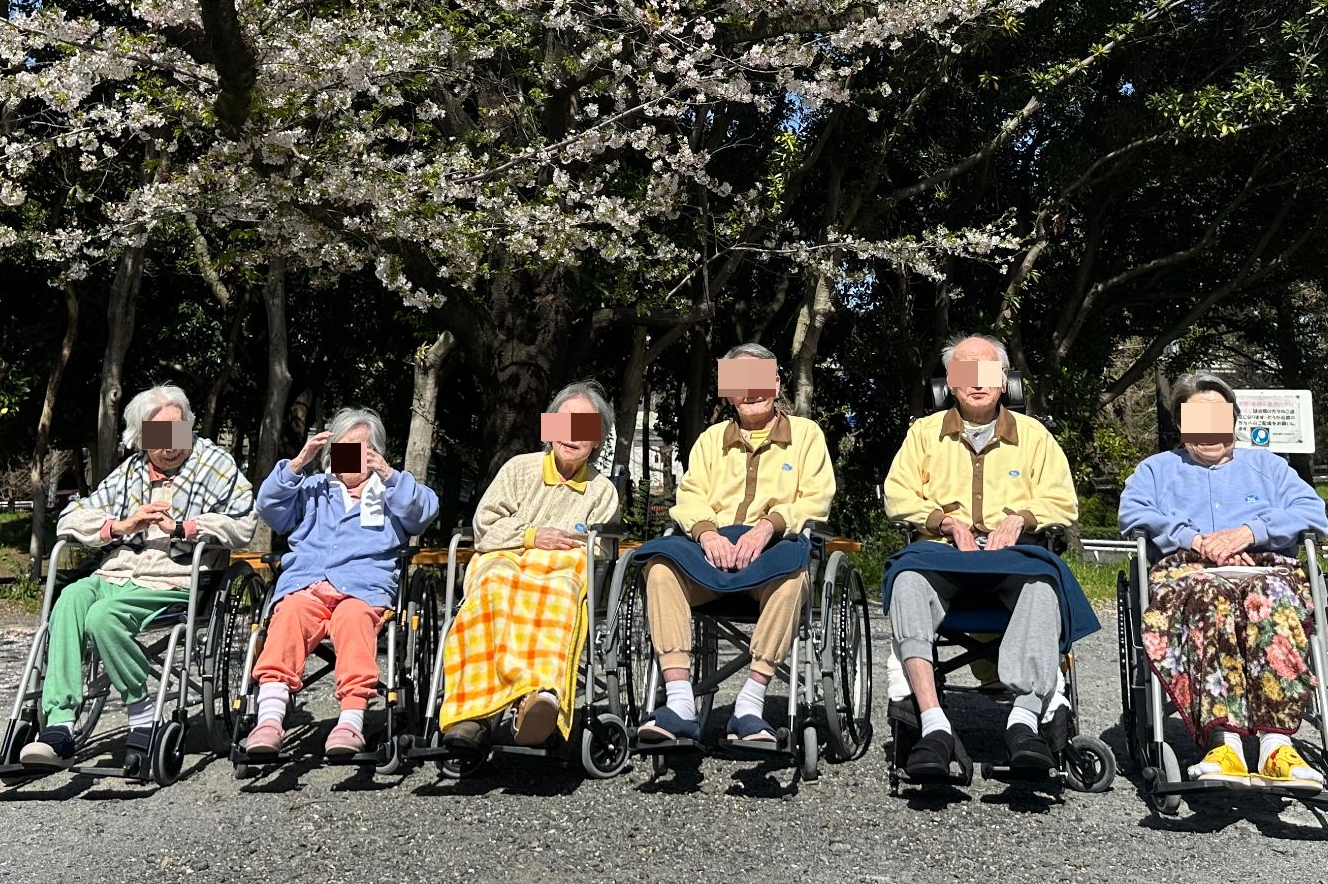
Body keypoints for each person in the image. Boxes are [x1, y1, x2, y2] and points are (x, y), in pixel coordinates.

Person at [881, 333, 1092, 781]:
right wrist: (944, 521)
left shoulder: (1034, 436)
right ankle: (934, 724)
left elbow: (1063, 502)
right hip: (942, 557)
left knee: (1043, 586)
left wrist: (1020, 519)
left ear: (1004, 379)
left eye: (987, 372)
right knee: (907, 581)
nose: (977, 383)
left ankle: (1024, 721)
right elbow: (897, 496)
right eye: (965, 372)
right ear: (949, 384)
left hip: (1011, 558)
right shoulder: (923, 435)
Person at [20, 384, 256, 772]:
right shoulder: (129, 472)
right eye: (158, 437)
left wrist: (184, 527)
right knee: (70, 600)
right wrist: (120, 525)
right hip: (118, 572)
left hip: (175, 578)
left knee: (103, 618)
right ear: (142, 437)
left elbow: (244, 523)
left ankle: (142, 709)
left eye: (176, 432)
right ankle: (60, 724)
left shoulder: (214, 464)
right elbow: (70, 518)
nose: (169, 446)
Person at [1118, 371, 1328, 793]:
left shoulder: (1269, 467)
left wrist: (1250, 532)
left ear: (1234, 420)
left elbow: (1313, 513)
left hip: (1263, 569)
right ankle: (1225, 742)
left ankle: (1276, 746)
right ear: (1181, 426)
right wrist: (1195, 540)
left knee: (1267, 598)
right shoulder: (1156, 471)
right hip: (1188, 573)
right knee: (1212, 596)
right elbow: (1134, 514)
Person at [634, 343, 836, 749]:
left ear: (776, 384)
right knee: (659, 569)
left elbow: (817, 497)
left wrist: (767, 527)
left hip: (773, 551)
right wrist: (707, 533)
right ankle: (679, 702)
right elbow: (690, 496)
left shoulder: (806, 435)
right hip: (712, 552)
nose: (752, 391)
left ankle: (750, 703)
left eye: (759, 380)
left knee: (794, 579)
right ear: (728, 392)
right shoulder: (710, 440)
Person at [241, 407, 440, 762]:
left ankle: (350, 721)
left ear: (374, 452)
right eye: (341, 449)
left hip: (363, 589)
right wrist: (297, 464)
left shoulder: (390, 490)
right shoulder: (314, 488)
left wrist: (388, 474)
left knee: (352, 617)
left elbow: (423, 512)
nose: (349, 457)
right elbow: (268, 507)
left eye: (358, 449)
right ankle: (269, 719)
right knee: (289, 614)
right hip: (308, 583)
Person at [435, 381, 622, 754]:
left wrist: (555, 551)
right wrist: (534, 536)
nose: (572, 434)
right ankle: (474, 713)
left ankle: (539, 698)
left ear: (597, 439)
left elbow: (600, 549)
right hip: (504, 564)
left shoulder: (603, 492)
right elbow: (484, 525)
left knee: (561, 592)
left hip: (558, 574)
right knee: (493, 587)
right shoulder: (519, 469)